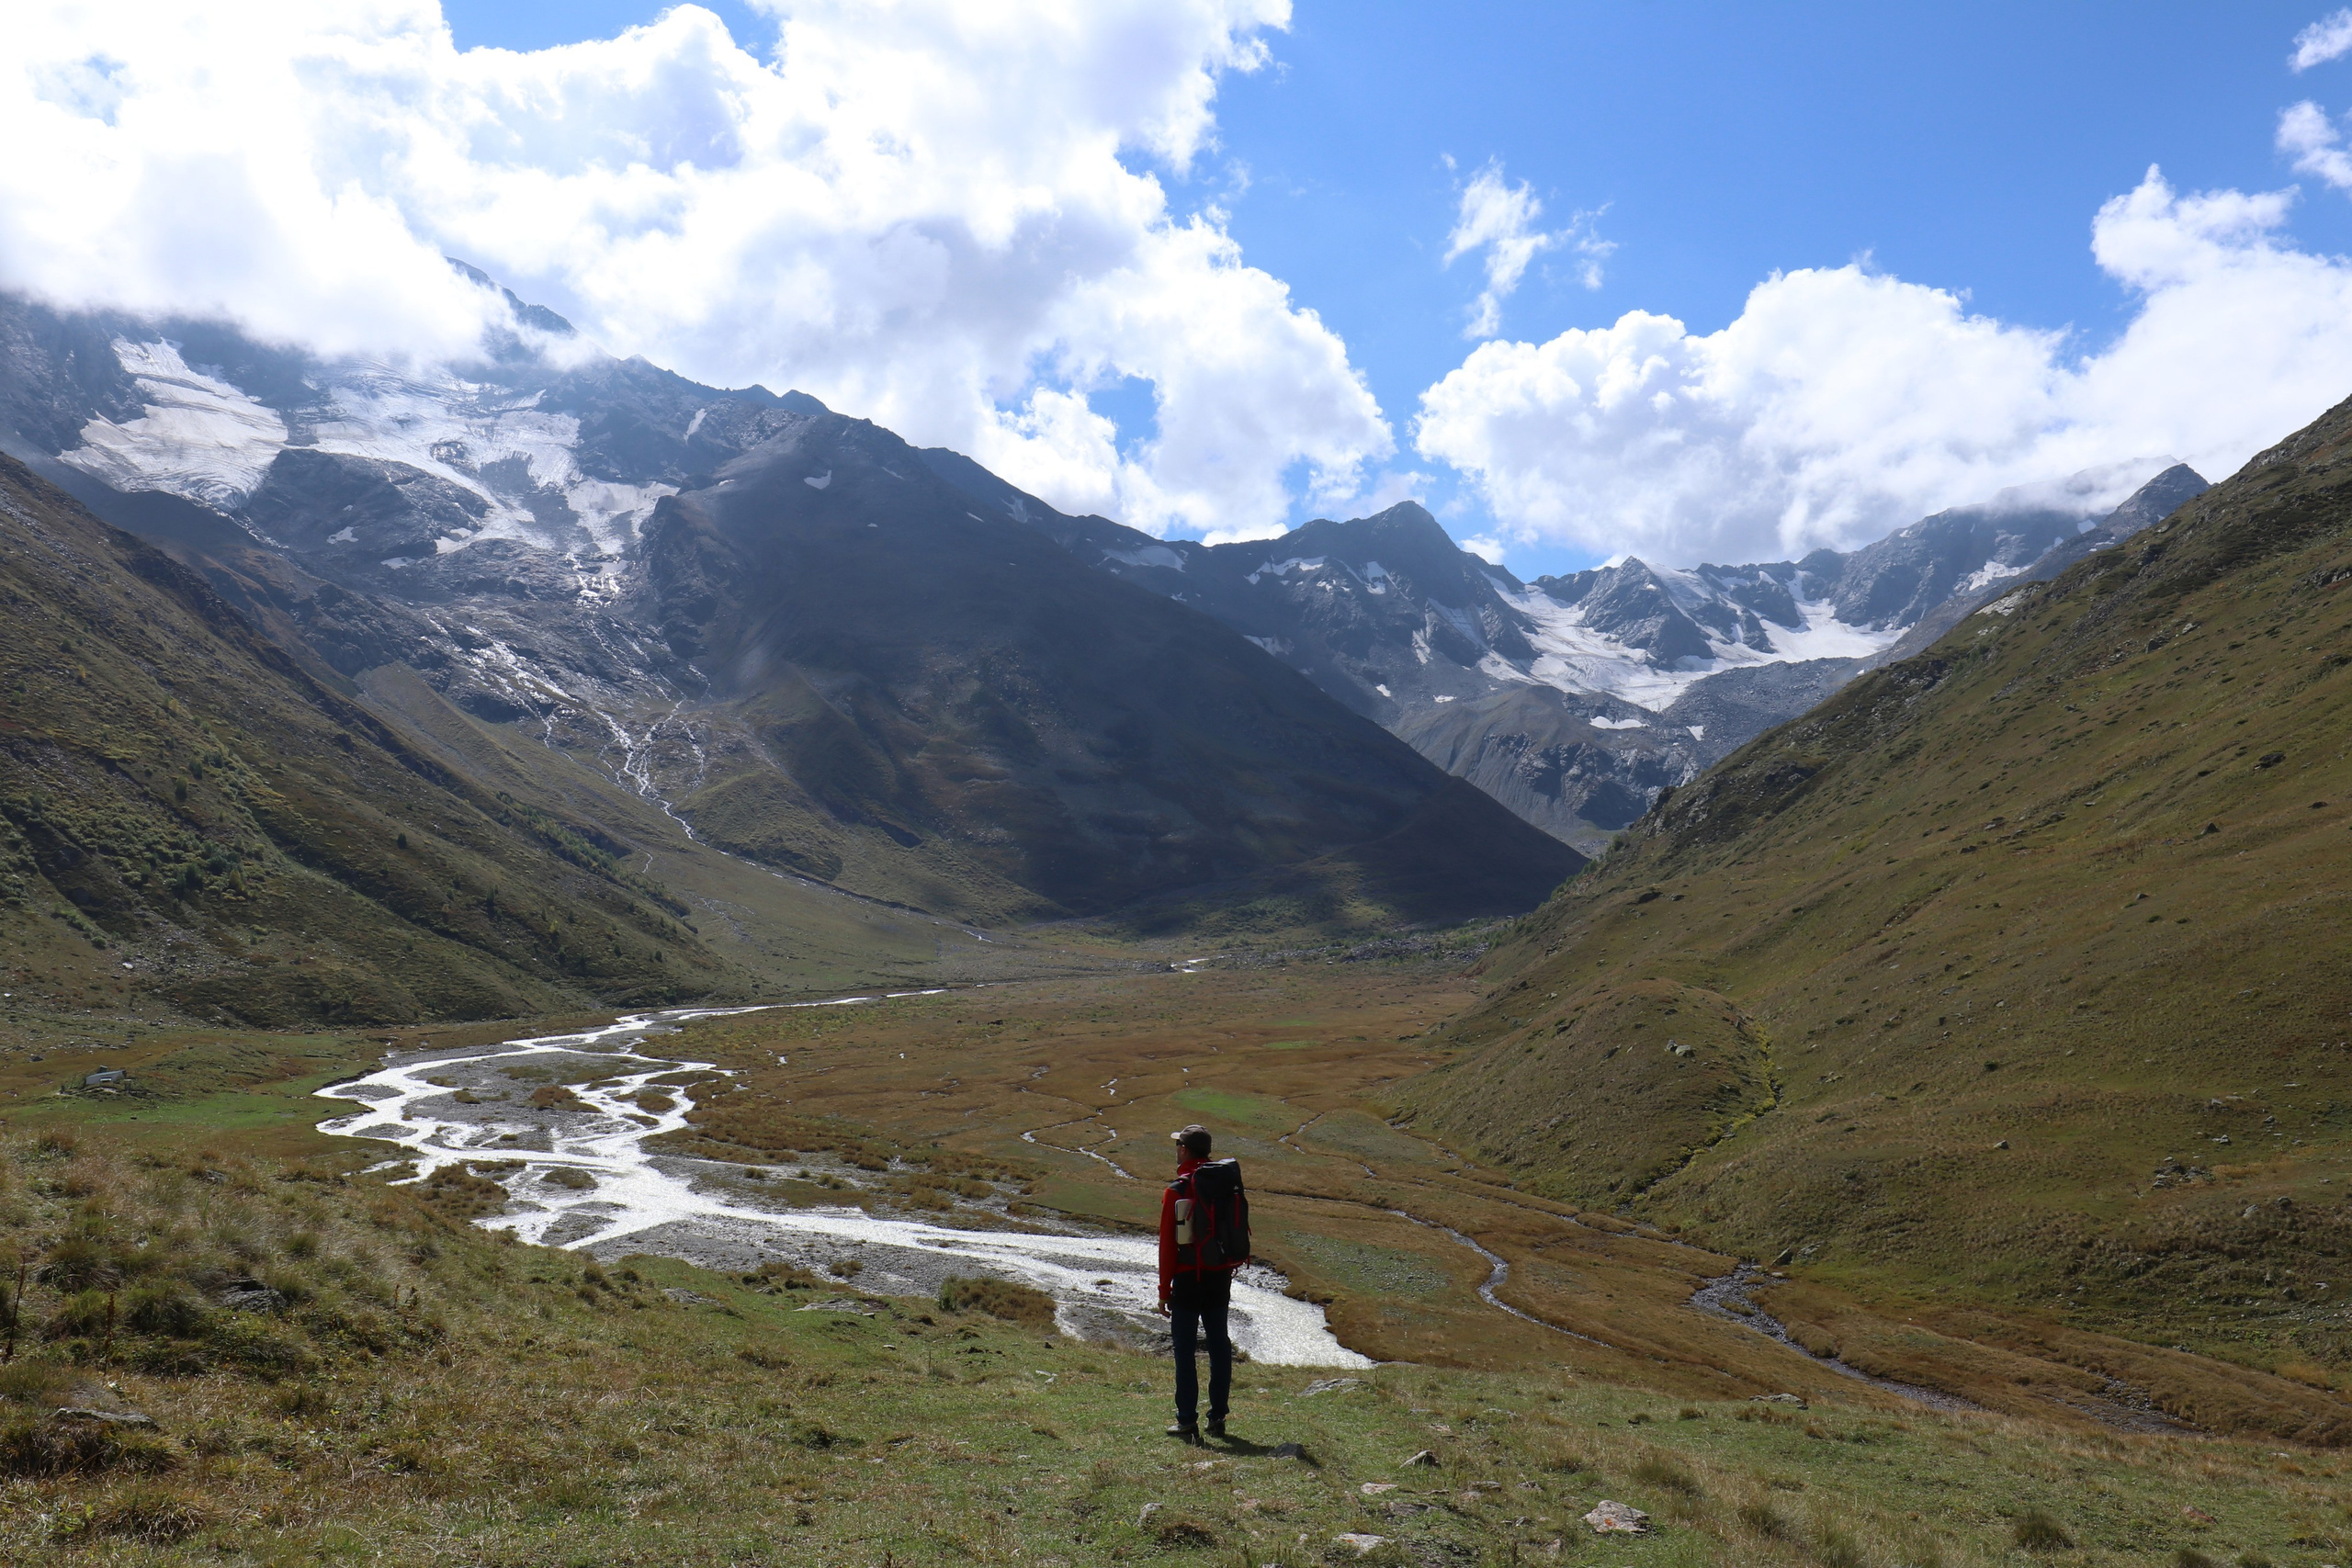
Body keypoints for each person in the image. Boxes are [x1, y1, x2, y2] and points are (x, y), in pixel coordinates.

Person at [1157, 1122, 1246, 1441]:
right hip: (1219, 1275)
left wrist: (1163, 1291)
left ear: (1183, 1150)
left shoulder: (1176, 1190)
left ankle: (1186, 1421)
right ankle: (1218, 1416)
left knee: (1185, 1350)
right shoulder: (1222, 1183)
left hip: (1186, 1279)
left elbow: (1168, 1246)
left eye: (1177, 1146)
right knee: (1219, 1344)